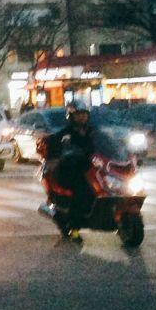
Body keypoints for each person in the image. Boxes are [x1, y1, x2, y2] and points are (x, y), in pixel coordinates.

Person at [45, 102, 96, 241]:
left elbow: (106, 144)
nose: (82, 117)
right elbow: (54, 143)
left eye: (85, 114)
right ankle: (74, 229)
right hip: (71, 171)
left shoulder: (93, 131)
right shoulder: (66, 134)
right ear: (71, 116)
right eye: (79, 115)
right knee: (83, 192)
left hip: (91, 169)